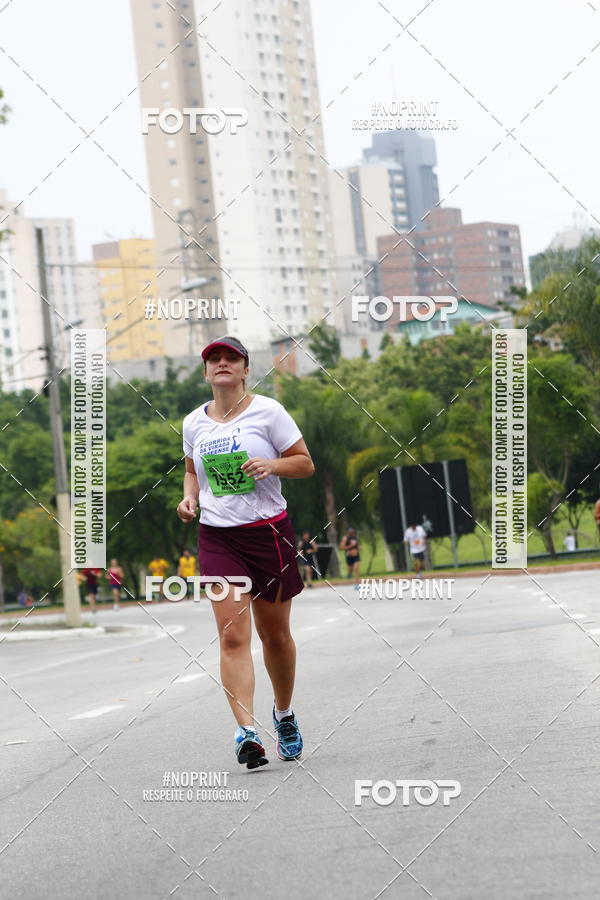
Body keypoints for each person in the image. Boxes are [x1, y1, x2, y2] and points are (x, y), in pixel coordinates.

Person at [178, 335, 315, 769]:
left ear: (243, 369)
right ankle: (246, 732)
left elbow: (305, 463)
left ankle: (284, 715)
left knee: (274, 635)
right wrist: (189, 499)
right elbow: (190, 472)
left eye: (230, 359)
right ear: (205, 372)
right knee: (232, 635)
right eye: (213, 359)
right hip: (219, 537)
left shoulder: (268, 412)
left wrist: (271, 465)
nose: (221, 364)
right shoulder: (192, 423)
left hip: (268, 532)